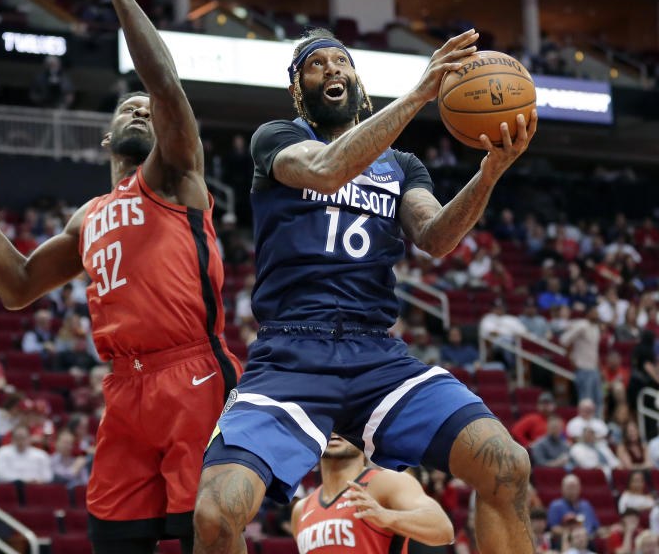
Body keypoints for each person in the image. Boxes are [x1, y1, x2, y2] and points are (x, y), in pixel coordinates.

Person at [0, 0, 240, 554]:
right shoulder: (87, 217)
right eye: (124, 110)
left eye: (144, 108)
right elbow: (18, 288)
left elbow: (165, 88)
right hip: (124, 387)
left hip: (191, 371)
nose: (138, 111)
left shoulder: (174, 175)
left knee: (209, 534)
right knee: (110, 538)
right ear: (105, 141)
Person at [194, 27, 538, 553]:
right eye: (316, 64)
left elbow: (438, 236)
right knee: (216, 513)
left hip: (376, 353)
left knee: (506, 464)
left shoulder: (401, 166)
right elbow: (327, 169)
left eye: (341, 61)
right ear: (297, 87)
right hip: (292, 353)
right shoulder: (276, 139)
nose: (332, 69)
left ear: (357, 79)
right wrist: (421, 93)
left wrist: (490, 172)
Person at [291, 434, 453, 553]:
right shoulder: (301, 509)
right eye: (330, 423)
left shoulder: (386, 482)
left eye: (345, 424)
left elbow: (443, 529)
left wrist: (388, 516)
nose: (336, 430)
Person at [560, 305, 603, 414]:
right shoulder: (581, 325)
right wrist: (571, 357)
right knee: (586, 402)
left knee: (598, 400)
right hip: (583, 368)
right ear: (588, 313)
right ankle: (586, 427)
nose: (597, 315)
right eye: (595, 312)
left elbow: (594, 349)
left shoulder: (596, 327)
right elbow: (564, 340)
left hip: (594, 369)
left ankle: (597, 426)